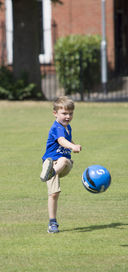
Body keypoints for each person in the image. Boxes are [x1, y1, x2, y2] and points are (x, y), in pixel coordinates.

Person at [40, 96, 82, 233]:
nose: (68, 116)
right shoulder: (57, 127)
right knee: (54, 194)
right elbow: (62, 140)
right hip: (52, 162)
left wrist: (74, 145)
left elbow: (67, 140)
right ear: (55, 113)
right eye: (64, 113)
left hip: (63, 165)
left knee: (65, 161)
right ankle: (52, 223)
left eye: (70, 113)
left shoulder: (67, 127)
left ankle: (51, 173)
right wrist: (72, 147)